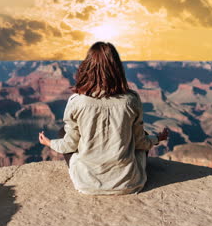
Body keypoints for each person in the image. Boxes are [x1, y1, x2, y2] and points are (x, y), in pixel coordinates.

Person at [38, 42, 169, 195]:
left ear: (87, 67)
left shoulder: (77, 101)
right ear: (117, 69)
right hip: (128, 183)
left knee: (63, 133)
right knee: (142, 134)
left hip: (87, 184)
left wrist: (49, 143)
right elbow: (140, 142)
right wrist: (157, 138)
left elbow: (70, 145)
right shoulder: (131, 100)